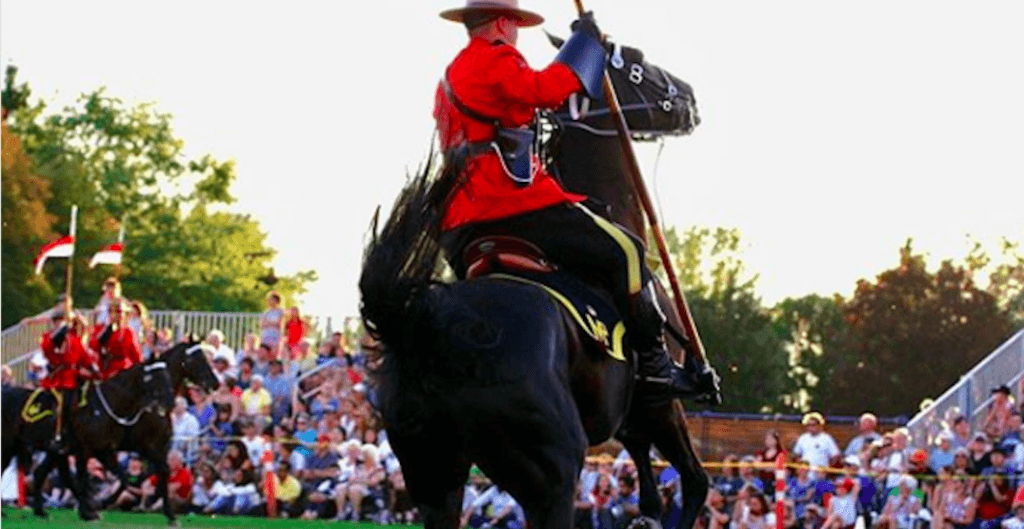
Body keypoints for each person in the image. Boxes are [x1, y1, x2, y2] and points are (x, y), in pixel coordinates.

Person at [432, 0, 719, 403]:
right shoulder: (496, 58)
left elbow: (511, 110)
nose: (516, 34)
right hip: (508, 205)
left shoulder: (451, 74)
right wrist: (585, 43)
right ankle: (656, 369)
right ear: (502, 22)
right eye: (514, 25)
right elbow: (546, 90)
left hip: (458, 223)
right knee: (627, 250)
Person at [89, 298, 142, 380]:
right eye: (114, 312)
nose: (118, 315)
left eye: (121, 312)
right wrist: (106, 333)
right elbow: (93, 347)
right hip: (107, 369)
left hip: (125, 370)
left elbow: (136, 356)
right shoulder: (101, 328)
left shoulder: (128, 332)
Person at [793, 412, 840, 477]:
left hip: (820, 476)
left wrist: (827, 470)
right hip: (806, 476)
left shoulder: (826, 438)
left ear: (819, 425)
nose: (811, 427)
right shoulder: (803, 438)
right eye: (809, 425)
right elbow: (797, 454)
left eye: (813, 425)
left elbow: (835, 456)